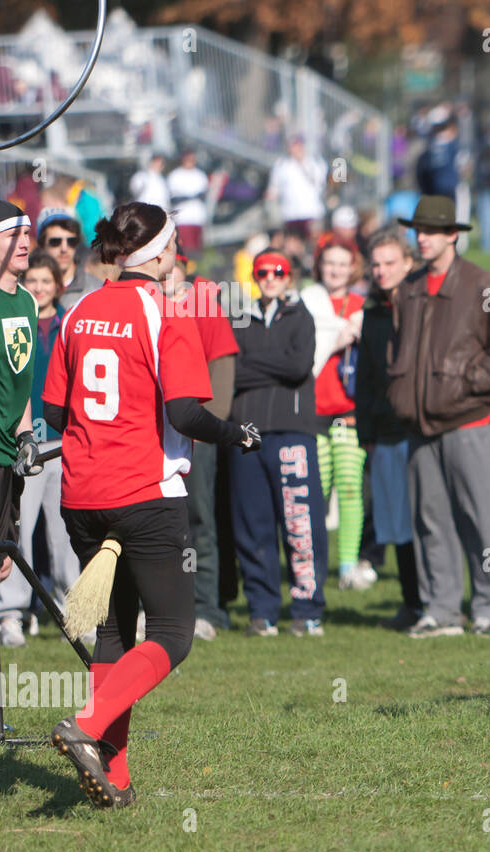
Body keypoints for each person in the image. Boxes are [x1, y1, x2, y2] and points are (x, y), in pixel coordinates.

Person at [40, 201, 259, 808]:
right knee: (171, 633)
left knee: (112, 633)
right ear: (161, 254)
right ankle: (86, 725)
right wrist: (235, 432)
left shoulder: (80, 308)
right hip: (143, 492)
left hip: (81, 495)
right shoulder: (165, 313)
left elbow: (56, 412)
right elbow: (186, 412)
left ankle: (115, 776)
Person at [388, 196, 490, 637]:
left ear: (453, 236)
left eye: (430, 230)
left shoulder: (480, 284)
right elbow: (398, 349)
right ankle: (441, 610)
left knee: (478, 518)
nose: (420, 237)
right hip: (419, 425)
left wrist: (466, 382)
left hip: (468, 421)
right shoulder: (406, 288)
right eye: (416, 230)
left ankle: (489, 606)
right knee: (430, 521)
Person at [229, 248, 329, 637]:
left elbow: (298, 366)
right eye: (263, 272)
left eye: (279, 271)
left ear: (289, 276)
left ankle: (307, 609)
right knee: (252, 526)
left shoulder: (301, 315)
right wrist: (273, 364)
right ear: (254, 276)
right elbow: (231, 370)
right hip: (248, 435)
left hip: (292, 433)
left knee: (300, 524)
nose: (270, 277)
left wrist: (255, 363)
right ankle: (263, 610)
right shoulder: (240, 317)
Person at [0, 249, 80, 647]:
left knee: (66, 533)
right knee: (18, 530)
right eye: (34, 282)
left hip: (62, 441)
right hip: (23, 440)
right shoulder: (12, 320)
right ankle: (11, 612)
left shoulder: (70, 324)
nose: (40, 287)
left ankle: (72, 614)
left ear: (57, 286)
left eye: (47, 281)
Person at [164, 255, 238, 640]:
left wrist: (211, 427)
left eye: (172, 265)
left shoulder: (203, 304)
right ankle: (161, 608)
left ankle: (207, 607)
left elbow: (222, 367)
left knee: (200, 520)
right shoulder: (145, 306)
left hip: (195, 434)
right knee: (157, 526)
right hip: (152, 438)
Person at [355, 230, 424, 630]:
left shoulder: (424, 307)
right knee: (397, 523)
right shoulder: (373, 311)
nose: (381, 271)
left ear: (408, 263)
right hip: (384, 432)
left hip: (420, 429)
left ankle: (439, 602)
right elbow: (365, 375)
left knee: (428, 521)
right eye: (375, 264)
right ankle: (412, 603)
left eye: (389, 263)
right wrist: (367, 427)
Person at [311, 236, 369, 591]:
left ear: (353, 268)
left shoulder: (363, 304)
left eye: (342, 264)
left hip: (349, 413)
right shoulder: (307, 302)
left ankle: (347, 565)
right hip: (313, 413)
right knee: (315, 492)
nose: (335, 269)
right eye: (329, 262)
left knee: (349, 488)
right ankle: (313, 567)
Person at [0, 201, 41, 606]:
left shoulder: (27, 301)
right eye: (13, 235)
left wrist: (26, 433)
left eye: (27, 234)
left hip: (8, 460)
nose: (25, 243)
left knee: (2, 566)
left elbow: (19, 381)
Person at [36, 208, 101, 313]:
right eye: (55, 242)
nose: (64, 249)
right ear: (41, 246)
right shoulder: (26, 289)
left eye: (71, 241)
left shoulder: (96, 290)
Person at [266, 136, 326, 239]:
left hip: (311, 212)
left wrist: (302, 164)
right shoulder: (282, 165)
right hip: (291, 214)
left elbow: (319, 183)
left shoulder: (314, 163)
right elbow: (274, 188)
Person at [166, 149, 211, 257]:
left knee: (196, 251)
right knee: (183, 249)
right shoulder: (175, 175)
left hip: (196, 218)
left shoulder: (200, 175)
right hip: (182, 218)